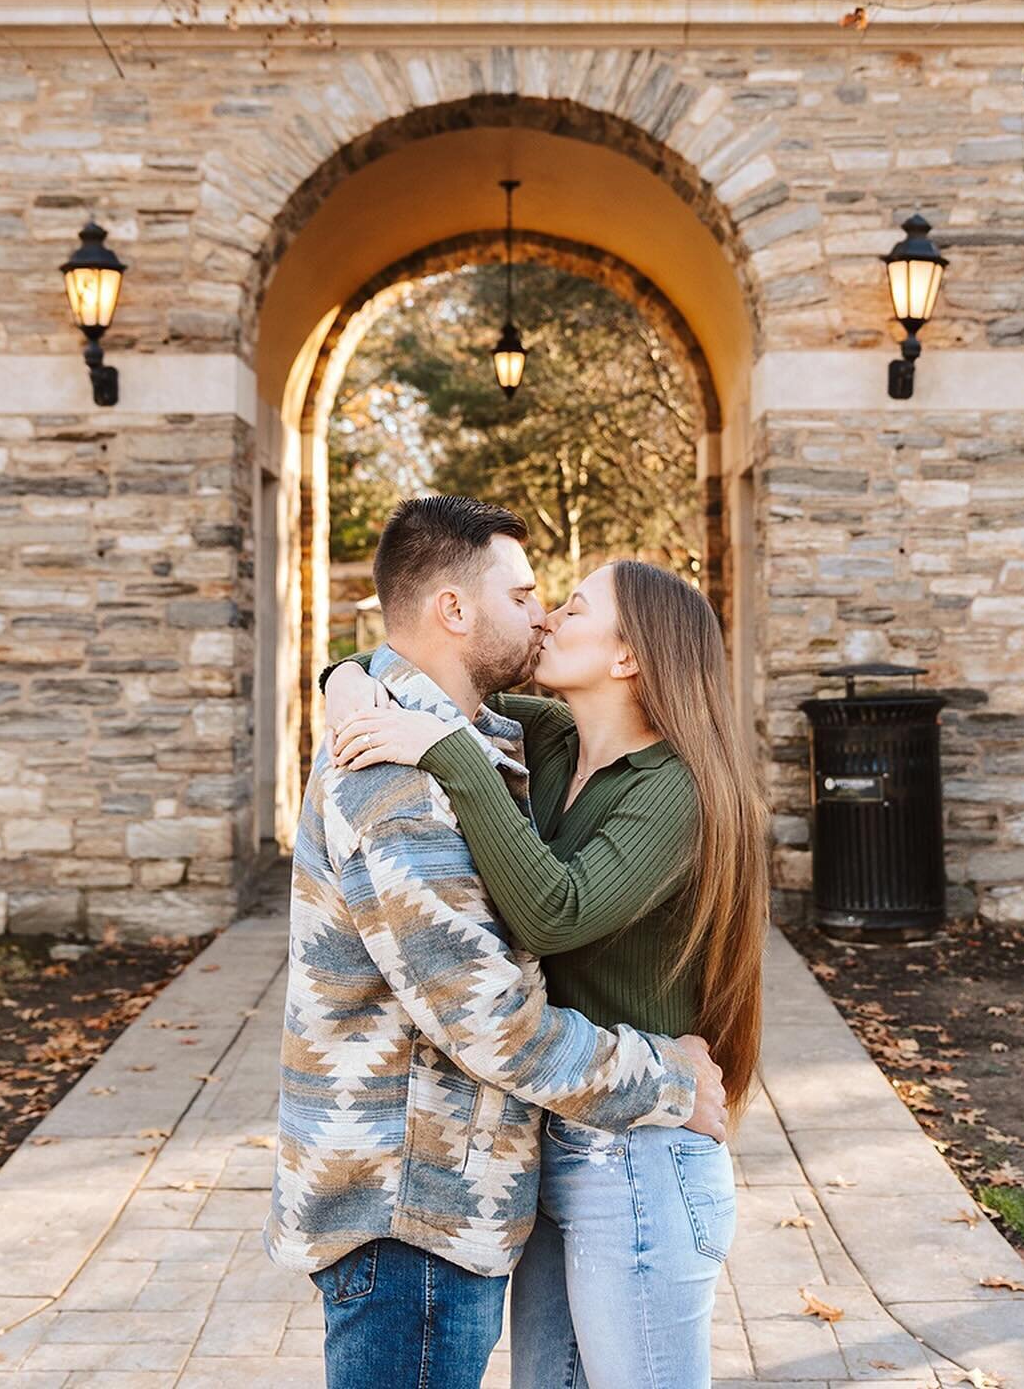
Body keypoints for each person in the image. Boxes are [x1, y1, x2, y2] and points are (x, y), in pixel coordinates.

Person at [262, 495, 729, 1389]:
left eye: (562, 604)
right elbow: (493, 1022)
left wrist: (350, 677)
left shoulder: (479, 736)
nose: (543, 614)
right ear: (454, 610)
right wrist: (670, 1078)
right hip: (412, 1207)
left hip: (452, 1196)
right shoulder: (394, 769)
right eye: (524, 596)